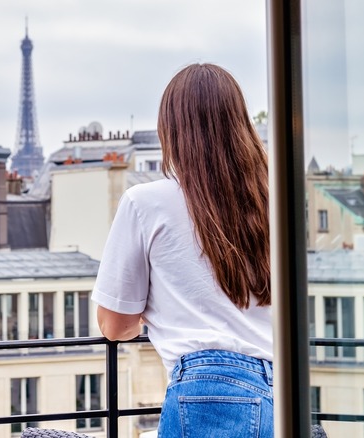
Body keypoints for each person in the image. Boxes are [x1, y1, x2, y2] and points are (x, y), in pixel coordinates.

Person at [92, 63, 273, 437]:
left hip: (207, 392)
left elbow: (114, 325)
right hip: (281, 388)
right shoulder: (272, 200)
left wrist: (158, 309)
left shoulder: (145, 202)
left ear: (171, 130)